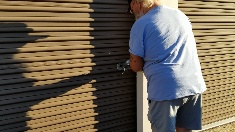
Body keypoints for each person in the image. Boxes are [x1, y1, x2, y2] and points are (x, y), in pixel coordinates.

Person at [127, 0, 207, 132]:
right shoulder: (181, 15)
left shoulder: (141, 24)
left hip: (165, 90)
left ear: (136, 3)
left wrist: (132, 62)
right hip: (193, 84)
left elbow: (136, 65)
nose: (133, 13)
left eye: (131, 10)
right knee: (185, 130)